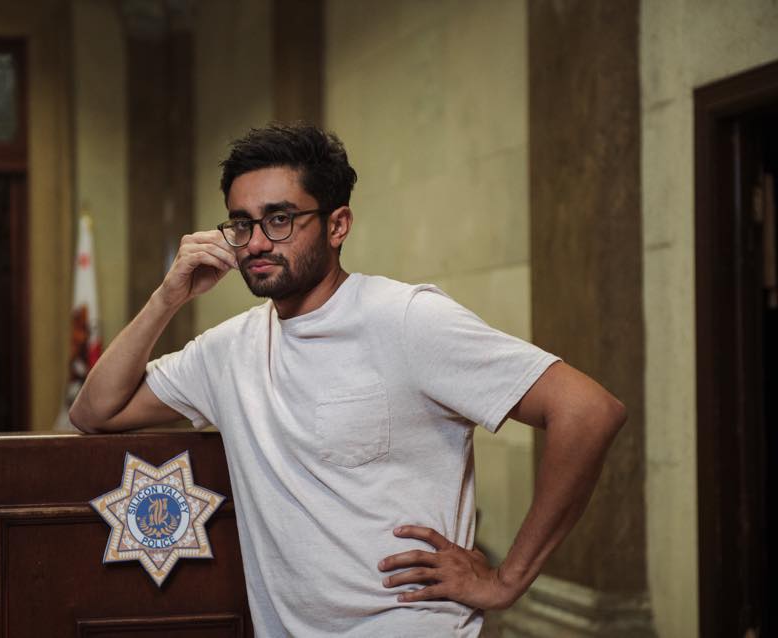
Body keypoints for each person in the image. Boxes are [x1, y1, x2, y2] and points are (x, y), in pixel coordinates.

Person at [70, 123, 625, 637]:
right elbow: (95, 411)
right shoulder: (228, 349)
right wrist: (168, 297)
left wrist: (507, 579)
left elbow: (587, 411)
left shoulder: (406, 318)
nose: (256, 242)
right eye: (242, 223)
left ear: (337, 225)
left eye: (279, 219)